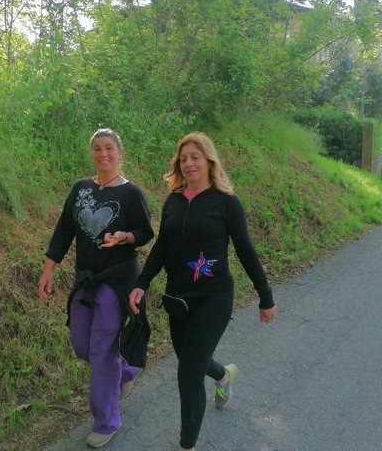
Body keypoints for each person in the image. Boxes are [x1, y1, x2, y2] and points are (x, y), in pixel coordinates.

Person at [128, 132, 277, 451]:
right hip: (178, 298)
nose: (189, 163)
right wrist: (142, 282)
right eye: (183, 159)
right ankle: (223, 375)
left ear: (209, 161)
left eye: (195, 157)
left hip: (214, 297)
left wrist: (265, 296)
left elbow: (246, 251)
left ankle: (187, 445)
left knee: (188, 374)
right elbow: (162, 247)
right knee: (190, 359)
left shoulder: (226, 203)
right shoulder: (174, 201)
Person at [37, 128, 154, 448]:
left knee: (102, 349)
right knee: (81, 344)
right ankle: (125, 372)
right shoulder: (80, 188)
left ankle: (106, 420)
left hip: (117, 281)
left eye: (109, 149)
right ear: (92, 153)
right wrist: (48, 270)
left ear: (120, 152)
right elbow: (64, 230)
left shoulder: (131, 193)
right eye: (98, 149)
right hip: (86, 279)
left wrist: (124, 237)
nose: (103, 154)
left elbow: (145, 232)